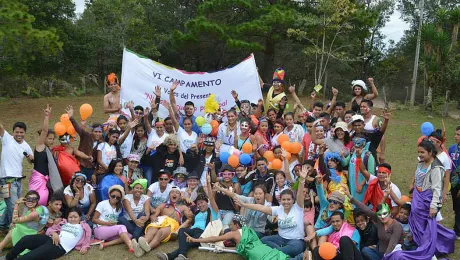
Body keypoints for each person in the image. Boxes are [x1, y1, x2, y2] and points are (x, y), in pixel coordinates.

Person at [388, 140, 455, 259]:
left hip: (426, 203)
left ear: (430, 152)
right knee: (417, 227)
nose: (419, 154)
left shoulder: (436, 167)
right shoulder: (420, 163)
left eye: (422, 152)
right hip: (417, 200)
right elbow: (418, 178)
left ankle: (427, 251)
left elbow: (436, 189)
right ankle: (423, 246)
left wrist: (434, 206)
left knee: (425, 229)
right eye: (418, 152)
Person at [235, 165, 309, 257]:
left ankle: (282, 253)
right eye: (284, 200)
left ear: (293, 200)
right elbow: (261, 208)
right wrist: (244, 205)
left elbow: (300, 194)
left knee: (294, 248)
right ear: (280, 200)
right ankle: (287, 254)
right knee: (263, 241)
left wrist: (302, 180)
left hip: (296, 241)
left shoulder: (298, 208)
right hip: (280, 239)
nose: (286, 202)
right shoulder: (278, 209)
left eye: (288, 200)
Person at [153, 173, 219, 259]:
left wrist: (209, 183)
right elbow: (188, 206)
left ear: (207, 203)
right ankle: (182, 255)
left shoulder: (212, 211)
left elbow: (211, 198)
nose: (200, 205)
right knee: (182, 231)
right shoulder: (197, 212)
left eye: (202, 203)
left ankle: (170, 256)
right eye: (198, 204)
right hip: (192, 231)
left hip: (203, 232)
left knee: (187, 241)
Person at [185, 214, 291, 260]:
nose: (230, 226)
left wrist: (196, 239)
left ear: (236, 224)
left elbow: (214, 238)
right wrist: (224, 249)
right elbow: (241, 247)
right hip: (266, 250)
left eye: (231, 224)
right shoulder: (249, 230)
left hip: (258, 256)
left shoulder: (234, 233)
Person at [3, 207, 91, 260]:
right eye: (70, 217)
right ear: (67, 218)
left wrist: (85, 247)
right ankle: (8, 258)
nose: (73, 219)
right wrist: (54, 233)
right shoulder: (63, 223)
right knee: (26, 239)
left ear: (80, 217)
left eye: (75, 217)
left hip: (59, 247)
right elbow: (49, 230)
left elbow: (88, 238)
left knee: (30, 256)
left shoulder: (84, 226)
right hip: (50, 239)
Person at [344, 186, 402, 260]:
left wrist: (385, 257)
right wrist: (350, 197)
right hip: (379, 252)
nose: (382, 217)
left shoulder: (397, 226)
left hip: (393, 254)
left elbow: (392, 244)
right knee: (365, 250)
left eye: (385, 214)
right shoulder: (380, 220)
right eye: (380, 215)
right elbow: (365, 209)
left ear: (390, 213)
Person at [137, 186, 193, 254]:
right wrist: (153, 217)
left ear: (180, 196)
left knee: (160, 232)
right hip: (160, 221)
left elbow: (190, 219)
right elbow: (154, 215)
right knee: (151, 229)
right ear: (169, 195)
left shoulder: (183, 207)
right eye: (172, 192)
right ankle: (144, 243)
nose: (174, 194)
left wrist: (179, 229)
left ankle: (147, 247)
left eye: (177, 193)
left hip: (172, 224)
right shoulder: (163, 205)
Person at [0, 121, 34, 230]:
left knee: (14, 204)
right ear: (13, 132)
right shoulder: (6, 138)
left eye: (21, 132)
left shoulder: (26, 145)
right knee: (13, 205)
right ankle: (13, 230)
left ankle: (2, 224)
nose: (19, 134)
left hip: (18, 180)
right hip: (6, 180)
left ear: (25, 133)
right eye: (17, 132)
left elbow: (31, 161)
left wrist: (30, 159)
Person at [30, 105, 61, 206]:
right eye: (49, 138)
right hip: (38, 180)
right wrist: (47, 116)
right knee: (33, 202)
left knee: (43, 203)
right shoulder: (40, 146)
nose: (51, 141)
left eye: (53, 139)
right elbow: (44, 131)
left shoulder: (49, 151)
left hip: (45, 181)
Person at [66, 105, 104, 181]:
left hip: (91, 169)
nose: (97, 134)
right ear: (92, 131)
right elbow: (78, 128)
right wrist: (71, 118)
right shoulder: (86, 136)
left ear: (102, 133)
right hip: (80, 165)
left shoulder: (102, 143)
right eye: (96, 131)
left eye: (100, 132)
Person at [93, 185, 133, 252]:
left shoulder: (119, 207)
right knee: (121, 227)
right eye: (113, 196)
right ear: (109, 195)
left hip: (109, 230)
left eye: (117, 198)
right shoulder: (102, 204)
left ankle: (106, 244)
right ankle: (131, 246)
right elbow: (94, 219)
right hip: (99, 229)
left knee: (129, 236)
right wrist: (107, 223)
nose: (114, 198)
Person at [211, 164, 241, 230]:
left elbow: (238, 201)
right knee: (216, 227)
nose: (226, 176)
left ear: (232, 175)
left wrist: (233, 193)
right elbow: (212, 199)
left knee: (225, 226)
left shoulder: (236, 185)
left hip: (230, 211)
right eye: (224, 174)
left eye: (229, 174)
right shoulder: (217, 184)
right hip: (217, 210)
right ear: (222, 175)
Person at [429, 130, 452, 204]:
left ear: (439, 143)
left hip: (437, 189)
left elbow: (446, 176)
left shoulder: (444, 157)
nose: (430, 144)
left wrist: (444, 193)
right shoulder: (427, 153)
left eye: (432, 142)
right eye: (429, 141)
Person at [448, 126, 460, 238]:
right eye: (455, 134)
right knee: (456, 206)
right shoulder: (452, 149)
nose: (456, 136)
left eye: (458, 135)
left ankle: (458, 231)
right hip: (454, 183)